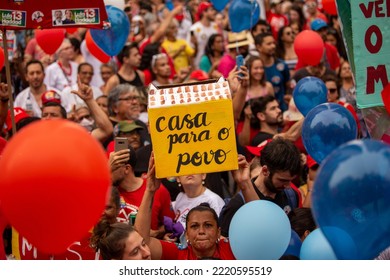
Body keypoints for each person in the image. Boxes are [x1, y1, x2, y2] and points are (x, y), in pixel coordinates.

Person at [134, 154, 256, 260]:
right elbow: (141, 240)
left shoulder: (232, 249)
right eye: (194, 226)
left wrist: (245, 183)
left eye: (208, 225)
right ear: (186, 234)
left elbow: (261, 233)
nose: (201, 231)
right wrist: (150, 190)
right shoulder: (178, 254)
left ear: (219, 232)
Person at [220, 138, 302, 237]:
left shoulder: (292, 196)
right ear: (265, 171)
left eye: (291, 180)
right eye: (282, 180)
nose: (288, 186)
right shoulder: (238, 204)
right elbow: (224, 245)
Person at [110, 145, 174, 239]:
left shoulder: (157, 190)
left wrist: (155, 233)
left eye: (113, 166)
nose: (108, 170)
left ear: (127, 169)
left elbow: (170, 224)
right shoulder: (108, 192)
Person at [255, 32, 290, 112]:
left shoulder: (282, 65)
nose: (273, 46)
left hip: (281, 111)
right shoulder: (253, 68)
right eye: (269, 44)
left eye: (273, 43)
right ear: (258, 47)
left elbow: (287, 85)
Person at [187, 2, 218, 69]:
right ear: (204, 12)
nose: (214, 12)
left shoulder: (215, 26)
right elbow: (190, 52)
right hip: (199, 65)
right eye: (211, 10)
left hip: (214, 64)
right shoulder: (194, 29)